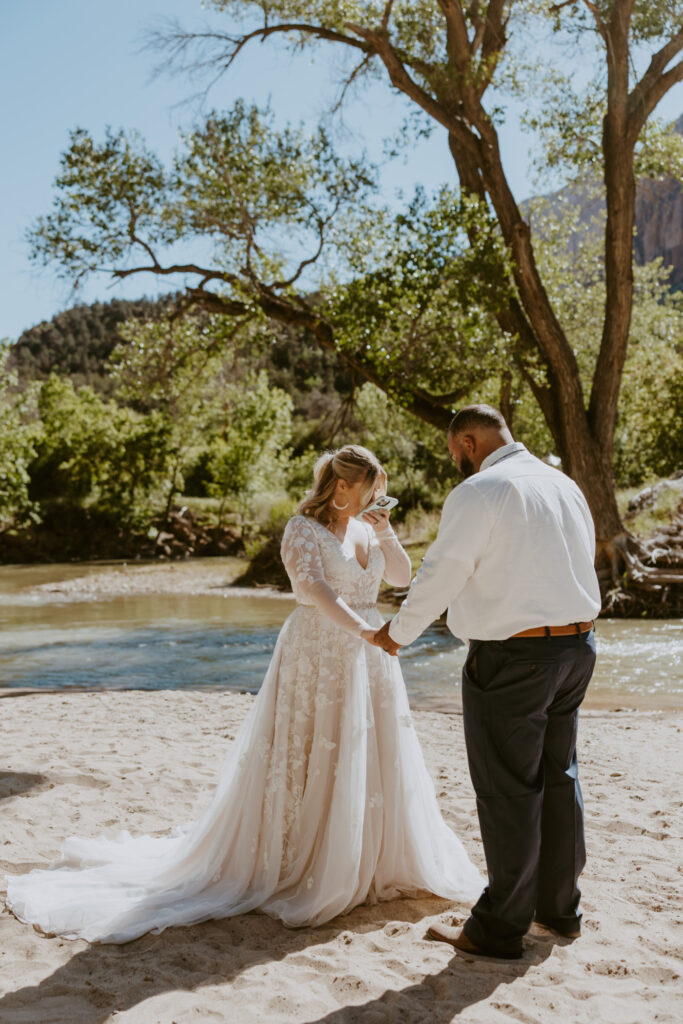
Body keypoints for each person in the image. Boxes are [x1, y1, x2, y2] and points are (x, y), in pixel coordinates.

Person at [4, 444, 482, 943]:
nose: (378, 497)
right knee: (309, 750)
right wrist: (368, 633)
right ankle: (307, 856)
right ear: (342, 486)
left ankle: (366, 856)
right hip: (319, 651)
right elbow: (316, 591)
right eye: (372, 488)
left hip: (368, 659)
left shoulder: (367, 527)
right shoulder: (302, 529)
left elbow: (402, 577)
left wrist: (385, 531)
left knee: (368, 754)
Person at [371, 406, 601, 960]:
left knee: (507, 791)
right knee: (558, 776)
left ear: (470, 442)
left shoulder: (480, 492)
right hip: (577, 648)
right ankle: (560, 910)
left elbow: (442, 571)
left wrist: (398, 633)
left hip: (513, 658)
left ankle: (499, 928)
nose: (457, 465)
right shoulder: (561, 482)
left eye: (455, 455)